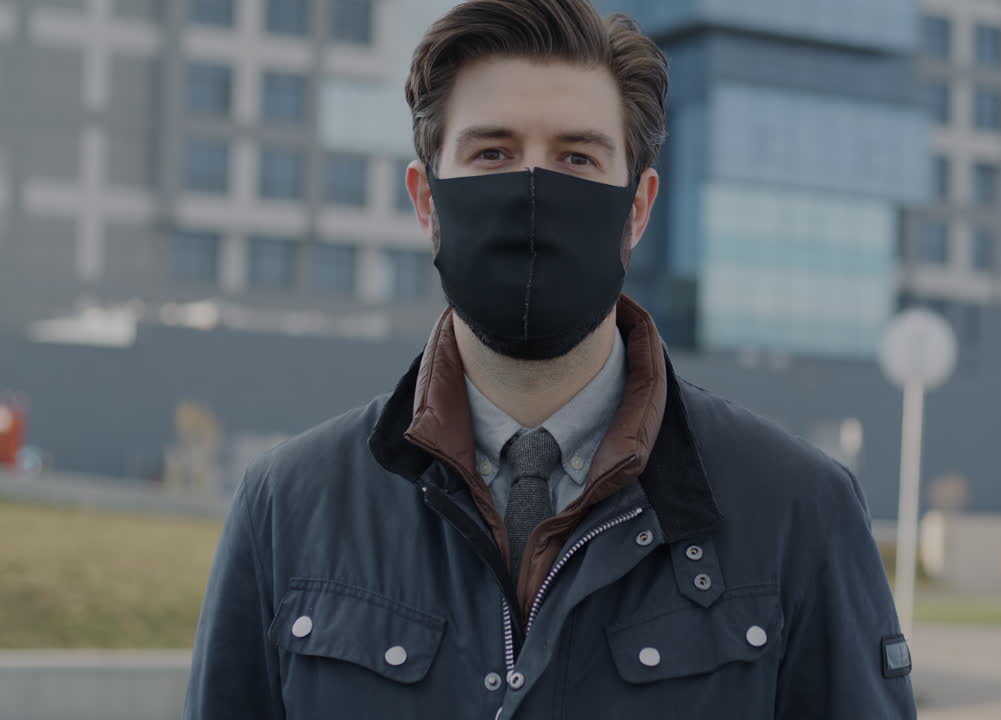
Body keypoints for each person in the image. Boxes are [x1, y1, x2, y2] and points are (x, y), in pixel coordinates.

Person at [183, 1, 915, 717]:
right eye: (492, 152)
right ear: (426, 201)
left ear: (637, 209)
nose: (534, 190)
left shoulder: (797, 510)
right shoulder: (288, 508)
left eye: (576, 157)